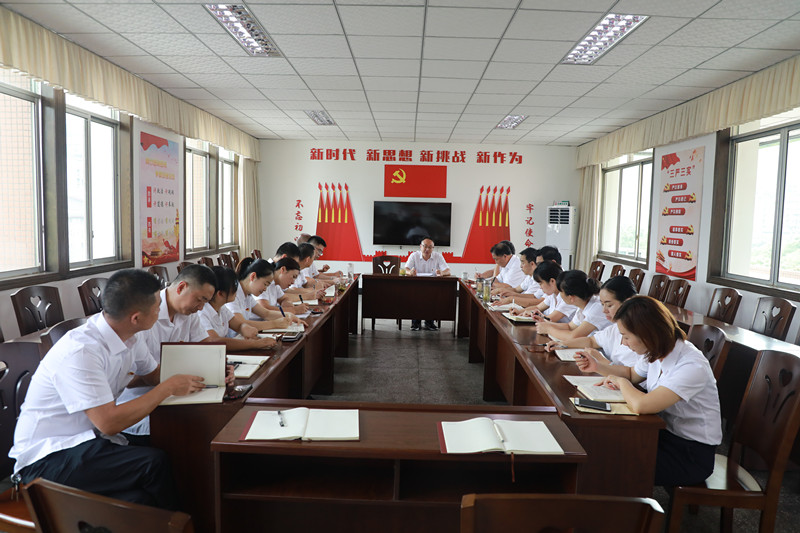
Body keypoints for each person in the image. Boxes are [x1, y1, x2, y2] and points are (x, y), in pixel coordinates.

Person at [9, 269, 206, 509]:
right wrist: (167, 388)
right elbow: (109, 422)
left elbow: (154, 374)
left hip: (88, 441)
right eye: (157, 307)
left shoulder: (131, 336)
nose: (160, 310)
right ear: (136, 317)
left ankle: (172, 519)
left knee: (148, 481)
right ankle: (180, 522)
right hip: (48, 457)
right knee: (153, 463)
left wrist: (207, 374)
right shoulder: (82, 351)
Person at [575, 296, 722, 486]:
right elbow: (631, 374)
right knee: (602, 443)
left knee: (609, 462)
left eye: (626, 337)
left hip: (690, 453)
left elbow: (642, 405)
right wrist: (597, 366)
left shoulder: (691, 365)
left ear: (647, 334)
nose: (624, 343)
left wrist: (621, 383)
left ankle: (627, 504)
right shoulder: (656, 350)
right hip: (663, 434)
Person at [116, 264, 221, 441]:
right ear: (181, 287)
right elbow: (131, 380)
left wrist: (219, 367)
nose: (201, 308)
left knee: (216, 418)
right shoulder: (145, 316)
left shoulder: (189, 313)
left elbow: (206, 347)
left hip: (175, 396)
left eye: (206, 302)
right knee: (198, 429)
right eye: (200, 300)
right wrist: (171, 375)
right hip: (139, 402)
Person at [545, 275, 639, 366]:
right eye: (602, 304)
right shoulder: (614, 328)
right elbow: (591, 341)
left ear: (627, 303)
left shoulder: (639, 334)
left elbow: (631, 374)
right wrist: (562, 344)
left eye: (609, 305)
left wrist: (600, 361)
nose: (604, 310)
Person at [199, 266, 278, 351]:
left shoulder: (222, 308)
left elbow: (238, 325)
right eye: (233, 286)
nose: (237, 289)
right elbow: (215, 341)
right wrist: (256, 344)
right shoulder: (202, 312)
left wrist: (244, 328)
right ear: (220, 294)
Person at [535, 269, 612, 341]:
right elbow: (570, 326)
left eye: (561, 292)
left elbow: (574, 336)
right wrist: (546, 323)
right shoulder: (583, 303)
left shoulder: (596, 307)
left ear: (571, 297)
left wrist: (549, 330)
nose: (559, 294)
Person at [226, 257, 296, 334]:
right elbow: (241, 324)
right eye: (265, 284)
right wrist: (274, 324)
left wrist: (289, 315)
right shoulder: (232, 294)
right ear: (253, 276)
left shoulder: (247, 295)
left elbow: (266, 313)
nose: (265, 289)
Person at [404, 236, 451, 331]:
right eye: (425, 246)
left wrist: (442, 273)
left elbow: (448, 271)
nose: (427, 249)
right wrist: (410, 272)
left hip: (432, 286)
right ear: (420, 246)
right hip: (416, 286)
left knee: (433, 296)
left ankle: (429, 322)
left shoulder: (438, 256)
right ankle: (415, 322)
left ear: (433, 248)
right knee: (415, 296)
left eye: (430, 247)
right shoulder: (414, 255)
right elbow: (406, 269)